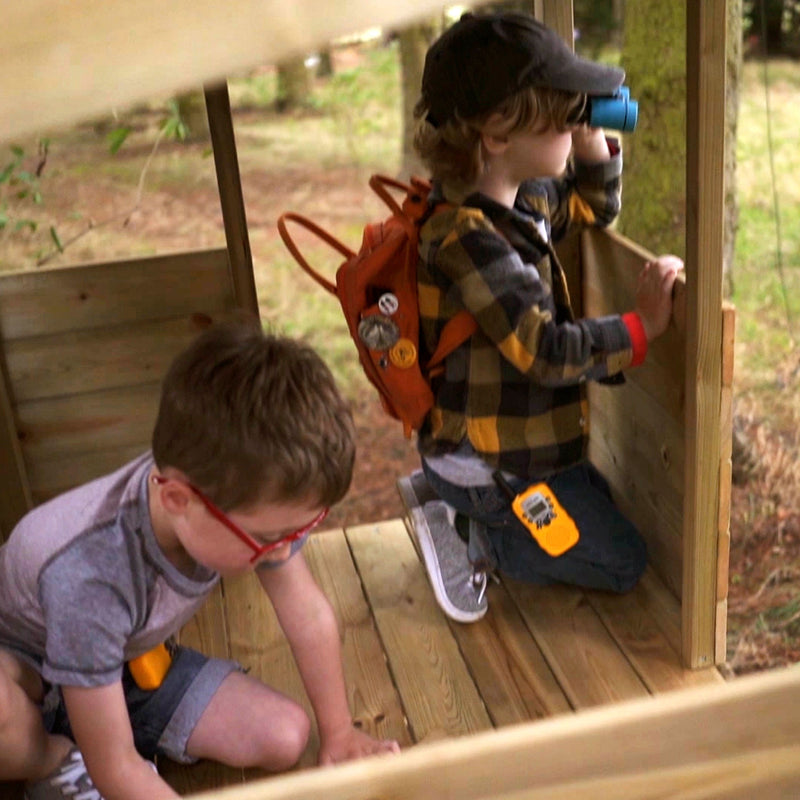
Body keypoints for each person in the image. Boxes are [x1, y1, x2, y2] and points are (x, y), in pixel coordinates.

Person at [0, 318, 399, 800]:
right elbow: (116, 771)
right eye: (265, 538)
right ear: (177, 500)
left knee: (285, 735)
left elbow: (308, 612)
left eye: (298, 530)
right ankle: (56, 758)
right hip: (28, 679)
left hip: (120, 663)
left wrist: (339, 733)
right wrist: (116, 761)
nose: (280, 550)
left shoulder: (243, 495)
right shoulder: (89, 574)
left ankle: (110, 724)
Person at [401, 11, 683, 623]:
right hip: (487, 463)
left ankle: (455, 499)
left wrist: (590, 144)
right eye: (564, 112)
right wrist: (642, 327)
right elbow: (546, 350)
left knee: (594, 498)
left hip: (520, 447)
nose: (577, 120)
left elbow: (591, 208)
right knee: (622, 561)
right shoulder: (464, 239)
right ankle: (471, 530)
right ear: (499, 131)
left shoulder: (516, 198)